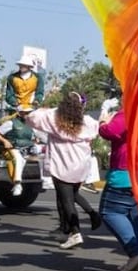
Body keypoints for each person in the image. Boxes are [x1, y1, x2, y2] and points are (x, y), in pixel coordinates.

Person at [25, 91, 101, 249]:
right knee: (72, 195)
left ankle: (75, 232)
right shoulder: (87, 121)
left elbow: (31, 118)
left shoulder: (54, 118)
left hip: (62, 165)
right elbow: (97, 130)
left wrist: (49, 109)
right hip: (80, 165)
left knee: (66, 200)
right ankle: (92, 214)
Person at [96, 104, 138, 271]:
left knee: (109, 212)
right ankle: (137, 258)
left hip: (124, 172)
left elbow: (110, 131)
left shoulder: (130, 110)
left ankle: (136, 253)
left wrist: (103, 121)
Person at [0, 103, 37, 197]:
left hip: (27, 149)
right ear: (20, 113)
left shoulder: (31, 125)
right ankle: (17, 183)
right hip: (12, 148)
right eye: (26, 113)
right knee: (17, 159)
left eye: (30, 113)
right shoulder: (11, 123)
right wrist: (4, 141)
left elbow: (33, 138)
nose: (29, 115)